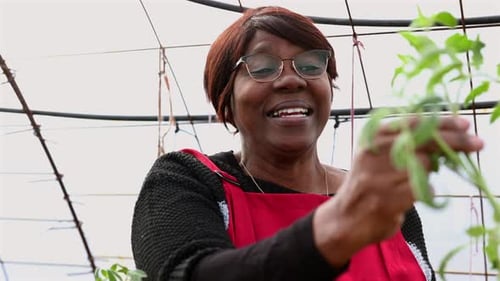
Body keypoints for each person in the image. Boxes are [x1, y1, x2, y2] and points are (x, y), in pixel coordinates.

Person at [131, 6, 484, 281]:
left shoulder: (383, 203)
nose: (291, 80)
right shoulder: (190, 181)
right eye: (262, 67)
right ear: (226, 98)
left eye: (312, 64)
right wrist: (340, 226)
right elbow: (190, 273)